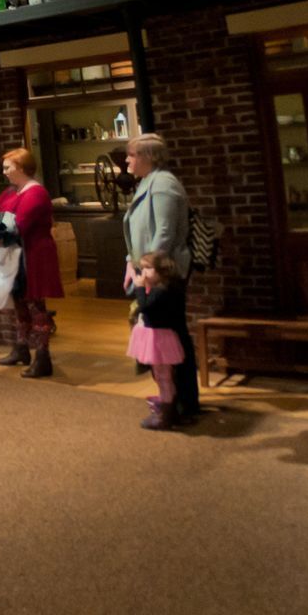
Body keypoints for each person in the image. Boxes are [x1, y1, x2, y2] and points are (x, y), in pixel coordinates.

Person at [122, 134, 197, 424]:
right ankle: (173, 399)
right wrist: (132, 262)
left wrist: (150, 270)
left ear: (148, 156)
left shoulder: (163, 185)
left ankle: (178, 402)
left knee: (169, 337)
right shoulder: (150, 183)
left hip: (164, 274)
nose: (127, 161)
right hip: (152, 271)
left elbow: (164, 233)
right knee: (165, 335)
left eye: (131, 155)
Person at [0, 148, 65, 378]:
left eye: (8, 167)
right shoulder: (11, 193)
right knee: (18, 300)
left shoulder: (35, 194)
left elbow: (18, 224)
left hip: (33, 255)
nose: (4, 172)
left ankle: (42, 355)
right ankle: (21, 347)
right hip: (14, 254)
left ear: (20, 167)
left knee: (36, 305)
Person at [127, 250, 186, 430]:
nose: (143, 272)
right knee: (161, 375)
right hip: (155, 336)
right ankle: (170, 410)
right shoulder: (161, 288)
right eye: (142, 268)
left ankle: (165, 415)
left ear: (162, 271)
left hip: (159, 339)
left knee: (163, 376)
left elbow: (145, 307)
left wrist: (138, 287)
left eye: (148, 268)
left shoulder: (161, 291)